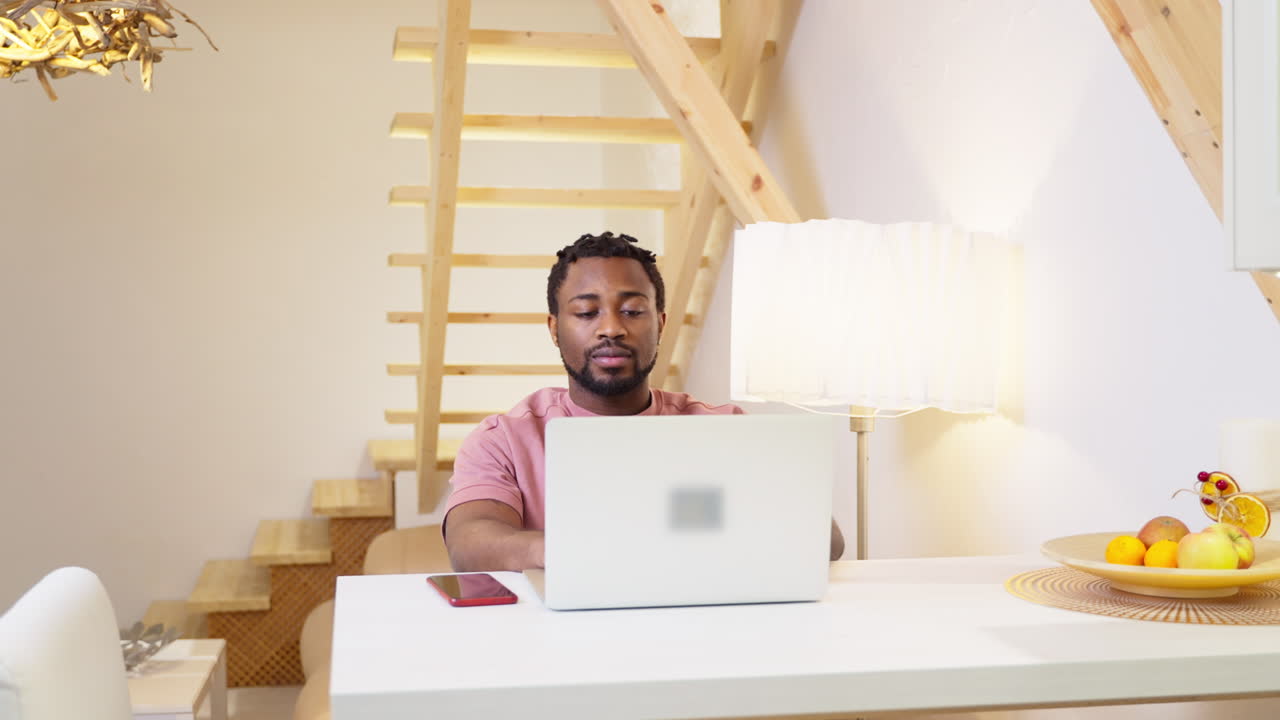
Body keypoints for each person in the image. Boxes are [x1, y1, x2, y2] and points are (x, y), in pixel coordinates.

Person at [442, 232, 845, 570]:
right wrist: (573, 552)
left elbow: (826, 541)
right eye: (586, 312)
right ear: (554, 328)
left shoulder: (723, 429)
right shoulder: (505, 439)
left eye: (633, 310)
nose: (612, 329)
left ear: (661, 323)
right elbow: (468, 542)